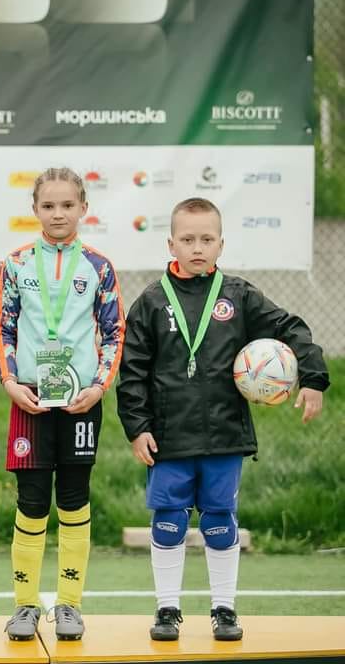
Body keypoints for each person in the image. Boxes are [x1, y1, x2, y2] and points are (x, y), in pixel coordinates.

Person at [118, 197, 327, 642]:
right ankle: (167, 609)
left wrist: (312, 377)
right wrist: (138, 427)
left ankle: (224, 609)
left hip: (225, 435)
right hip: (169, 437)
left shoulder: (239, 296)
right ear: (171, 244)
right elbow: (132, 371)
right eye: (188, 239)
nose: (197, 247)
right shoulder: (152, 301)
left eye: (207, 239)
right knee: (169, 521)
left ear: (221, 244)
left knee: (218, 520)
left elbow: (290, 327)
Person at [0, 168, 125, 642]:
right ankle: (25, 605)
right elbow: (4, 328)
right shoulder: (17, 264)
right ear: (34, 209)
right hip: (29, 398)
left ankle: (69, 605)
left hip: (80, 401)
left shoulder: (99, 267)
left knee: (73, 500)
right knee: (31, 502)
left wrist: (98, 387)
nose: (58, 214)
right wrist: (10, 382)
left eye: (67, 205)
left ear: (83, 208)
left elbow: (114, 332)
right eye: (48, 205)